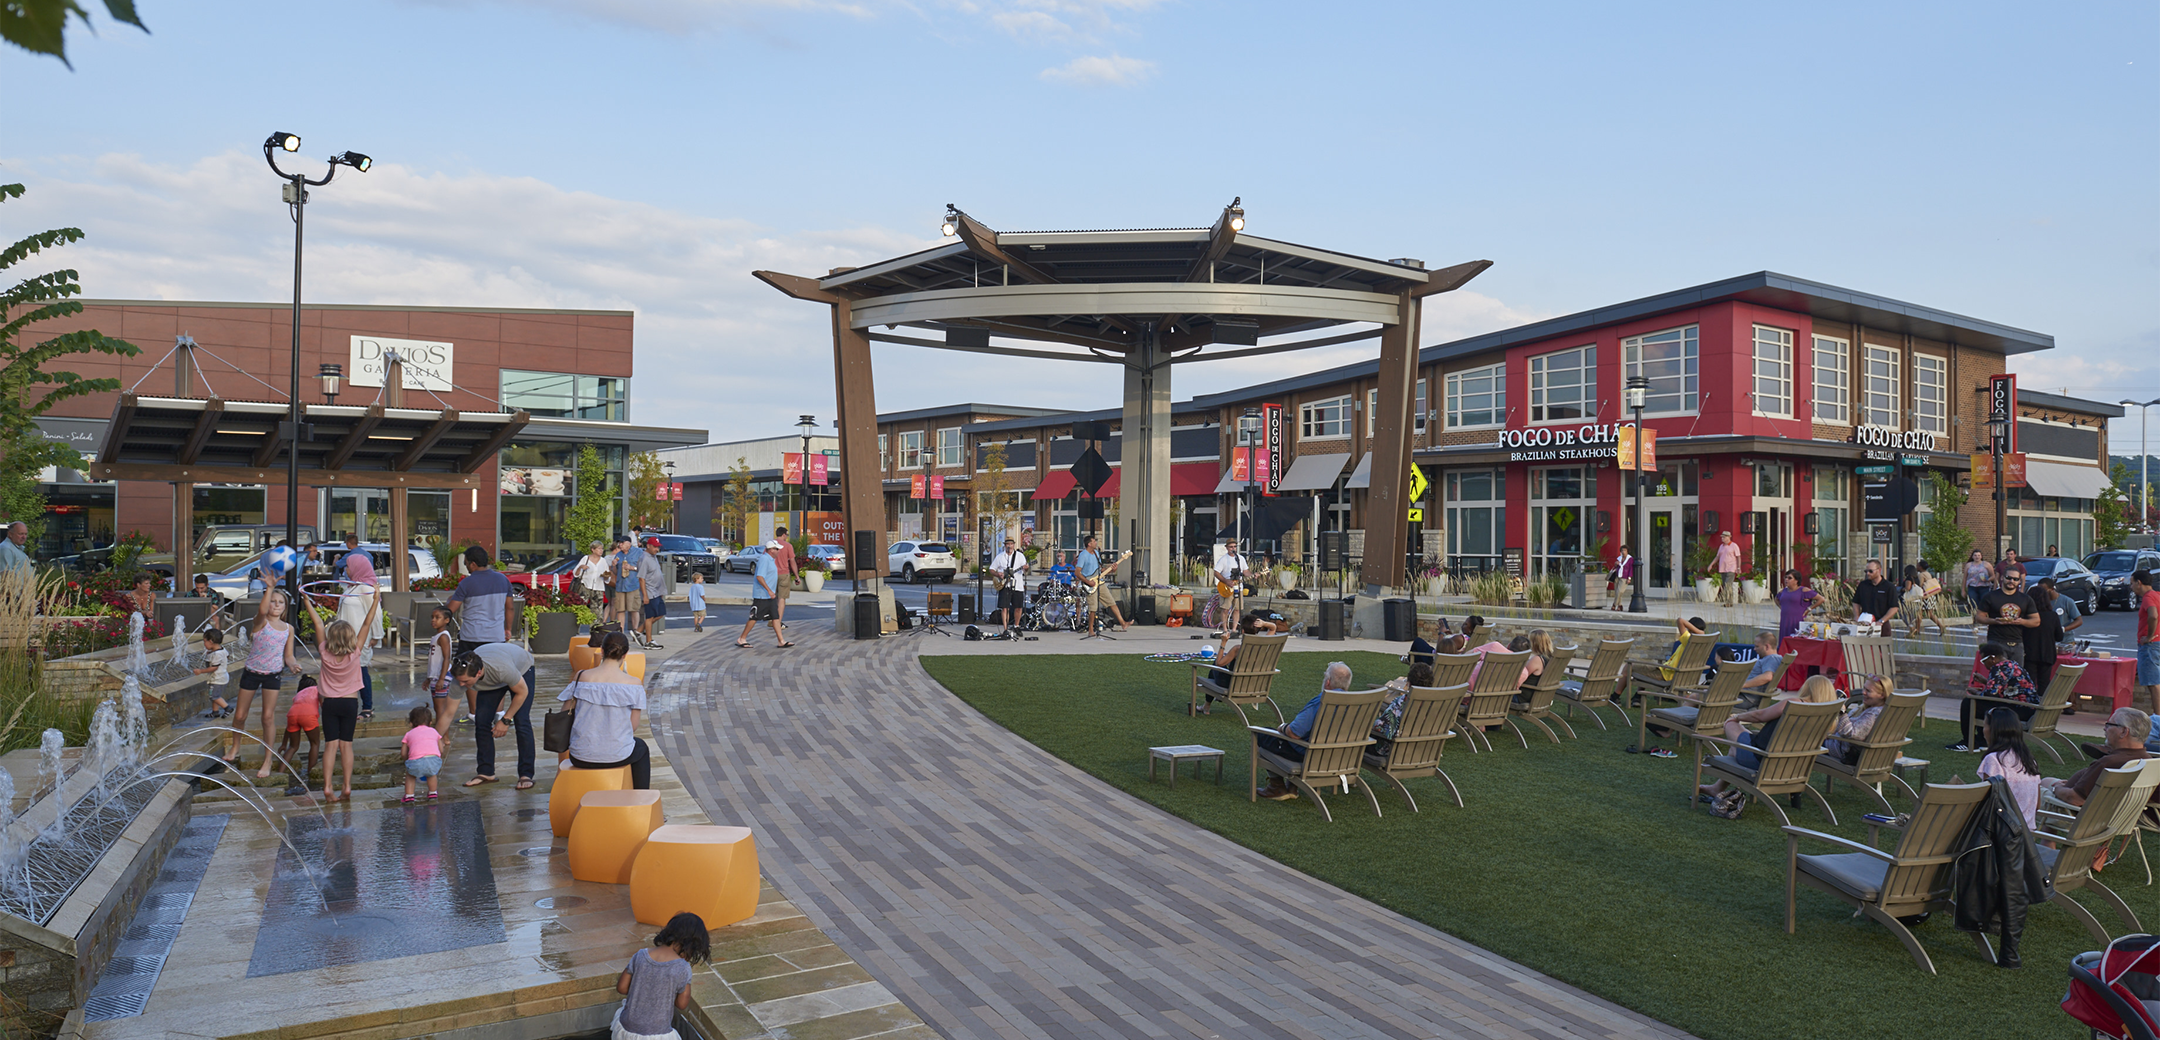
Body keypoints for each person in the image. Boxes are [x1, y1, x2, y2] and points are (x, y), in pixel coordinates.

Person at [1698, 674, 1842, 806]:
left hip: (1763, 761)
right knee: (1737, 745)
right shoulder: (1826, 719)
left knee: (1731, 725)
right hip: (1792, 768)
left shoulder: (1795, 703)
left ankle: (1717, 786)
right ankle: (1716, 788)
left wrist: (1737, 717)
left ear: (1808, 689)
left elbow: (1759, 715)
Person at [302, 584, 379, 803]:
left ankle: (327, 787)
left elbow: (318, 622)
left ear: (331, 637)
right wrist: (375, 599)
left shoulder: (324, 652)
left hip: (329, 704)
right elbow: (367, 623)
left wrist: (306, 600)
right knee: (346, 746)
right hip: (349, 704)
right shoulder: (355, 652)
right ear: (351, 637)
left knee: (330, 745)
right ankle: (346, 786)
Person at [559, 630, 652, 789]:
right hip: (617, 756)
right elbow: (633, 726)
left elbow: (564, 712)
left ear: (601, 650)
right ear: (625, 654)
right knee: (641, 747)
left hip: (580, 755)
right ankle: (640, 796)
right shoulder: (634, 684)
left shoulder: (582, 676)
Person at [1254, 661, 1352, 800]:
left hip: (1311, 757)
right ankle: (1292, 786)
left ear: (1328, 682)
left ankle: (1277, 787)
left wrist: (1283, 727)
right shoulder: (1357, 705)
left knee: (1262, 734)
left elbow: (1294, 733)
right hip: (1340, 758)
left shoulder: (1321, 701)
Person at [230, 572, 297, 775]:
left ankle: (268, 759)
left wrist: (293, 664)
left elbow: (288, 655)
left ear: (285, 607)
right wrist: (270, 588)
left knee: (268, 717)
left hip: (272, 675)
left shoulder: (288, 629)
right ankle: (235, 746)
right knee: (240, 715)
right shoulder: (260, 622)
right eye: (273, 601)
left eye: (280, 603)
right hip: (252, 672)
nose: (276, 605)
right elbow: (261, 610)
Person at [451, 640, 538, 789]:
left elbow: (522, 692)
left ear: (478, 673)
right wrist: (436, 738)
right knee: (482, 720)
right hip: (494, 672)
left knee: (521, 720)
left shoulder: (502, 669)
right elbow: (447, 713)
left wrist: (505, 720)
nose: (461, 685)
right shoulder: (460, 678)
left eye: (465, 681)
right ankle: (486, 772)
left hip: (521, 667)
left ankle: (526, 774)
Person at [613, 912, 709, 1040]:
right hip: (657, 1034)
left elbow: (622, 988)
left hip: (626, 1029)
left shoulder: (641, 955)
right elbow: (681, 1004)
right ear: (692, 945)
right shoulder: (682, 968)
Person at [2048, 708, 2153, 808]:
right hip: (2125, 815)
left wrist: (2056, 788)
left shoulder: (2110, 763)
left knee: (2043, 784)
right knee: (2050, 781)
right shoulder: (2150, 763)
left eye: (2109, 725)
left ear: (2124, 732)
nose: (2104, 728)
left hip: (2073, 812)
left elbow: (2074, 799)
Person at [1951, 641, 2037, 752]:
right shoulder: (2012, 665)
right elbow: (2004, 688)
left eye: (1984, 661)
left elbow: (1989, 694)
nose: (1984, 664)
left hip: (2019, 711)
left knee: (1969, 703)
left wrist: (1974, 692)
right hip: (2028, 709)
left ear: (1992, 658)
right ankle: (1982, 740)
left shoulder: (1999, 668)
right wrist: (1985, 681)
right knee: (1981, 704)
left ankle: (1968, 742)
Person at [1972, 706, 2044, 827]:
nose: (1983, 731)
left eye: (1984, 726)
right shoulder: (2029, 760)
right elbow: (2037, 805)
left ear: (1993, 730)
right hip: (2026, 833)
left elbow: (1988, 804)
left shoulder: (1993, 760)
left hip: (2000, 832)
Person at [335, 532, 379, 720]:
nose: (346, 569)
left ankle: (367, 707)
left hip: (360, 638)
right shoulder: (352, 587)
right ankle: (348, 705)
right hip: (344, 638)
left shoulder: (366, 589)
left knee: (361, 670)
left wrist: (376, 636)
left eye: (348, 566)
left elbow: (375, 613)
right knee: (348, 670)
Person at [448, 545, 516, 656]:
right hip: (496, 637)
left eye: (465, 564)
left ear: (473, 564)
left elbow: (450, 609)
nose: (466, 567)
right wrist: (508, 629)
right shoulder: (503, 580)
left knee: (465, 666)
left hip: (471, 637)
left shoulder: (466, 583)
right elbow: (510, 608)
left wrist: (449, 601)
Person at [1976, 567, 2041, 670]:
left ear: (2019, 581)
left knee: (2017, 674)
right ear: (2002, 578)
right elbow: (1979, 617)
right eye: (2008, 578)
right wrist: (1994, 621)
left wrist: (2021, 621)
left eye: (2015, 579)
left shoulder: (2025, 599)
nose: (2012, 581)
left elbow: (2036, 621)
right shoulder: (1990, 596)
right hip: (1996, 641)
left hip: (2017, 642)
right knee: (1999, 673)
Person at [1370, 661, 1437, 755]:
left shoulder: (1402, 702)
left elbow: (1381, 726)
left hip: (1393, 752)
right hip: (1421, 752)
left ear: (1408, 683)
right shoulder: (1435, 704)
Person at [1826, 673, 1890, 762]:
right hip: (1839, 743)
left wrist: (1842, 712)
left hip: (1843, 751)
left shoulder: (1873, 714)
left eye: (1868, 691)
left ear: (1882, 695)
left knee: (1809, 743)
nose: (1863, 692)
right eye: (1864, 688)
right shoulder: (1879, 710)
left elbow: (1851, 734)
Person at [737, 542, 790, 648]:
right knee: (754, 618)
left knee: (775, 617)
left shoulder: (771, 560)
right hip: (762, 595)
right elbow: (759, 577)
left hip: (770, 596)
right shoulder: (764, 559)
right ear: (771, 550)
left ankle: (781, 641)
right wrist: (769, 590)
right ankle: (742, 638)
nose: (778, 551)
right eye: (777, 549)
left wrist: (771, 592)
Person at [278, 674, 322, 798]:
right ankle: (310, 773)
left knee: (293, 747)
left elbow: (288, 728)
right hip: (308, 715)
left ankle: (280, 774)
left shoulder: (298, 695)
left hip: (292, 714)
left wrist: (283, 743)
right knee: (315, 743)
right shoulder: (317, 689)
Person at [1075, 534, 1129, 632]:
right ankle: (1091, 630)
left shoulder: (1096, 553)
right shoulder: (1083, 555)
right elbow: (1077, 572)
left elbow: (1100, 569)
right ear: (1089, 544)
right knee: (1093, 608)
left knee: (1111, 602)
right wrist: (1088, 582)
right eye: (1094, 541)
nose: (1096, 543)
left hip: (1100, 582)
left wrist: (1112, 569)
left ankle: (1123, 623)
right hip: (1090, 585)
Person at [2029, 576, 2068, 688]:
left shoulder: (2026, 616)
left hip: (2029, 654)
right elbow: (2059, 637)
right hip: (2047, 653)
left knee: (2029, 683)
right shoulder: (2052, 616)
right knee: (2044, 683)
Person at [424, 606, 456, 738]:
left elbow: (447, 658)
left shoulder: (443, 637)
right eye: (432, 617)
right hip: (436, 676)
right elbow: (434, 659)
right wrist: (428, 678)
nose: (433, 620)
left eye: (437, 618)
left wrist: (442, 678)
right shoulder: (437, 636)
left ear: (447, 620)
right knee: (438, 708)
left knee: (440, 709)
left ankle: (443, 738)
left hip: (441, 676)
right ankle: (443, 737)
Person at [988, 537, 1028, 636]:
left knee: (1018, 607)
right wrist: (998, 574)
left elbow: (1025, 570)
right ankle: (1005, 629)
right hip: (1005, 585)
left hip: (1017, 585)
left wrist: (1026, 568)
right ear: (1005, 545)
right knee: (1005, 608)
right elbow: (991, 569)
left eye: (1011, 544)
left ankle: (1016, 626)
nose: (1009, 546)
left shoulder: (1020, 556)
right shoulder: (1000, 557)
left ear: (1014, 545)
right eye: (1007, 544)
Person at [402, 705, 442, 804]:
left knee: (410, 775)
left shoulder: (408, 734)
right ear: (430, 722)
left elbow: (403, 753)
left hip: (415, 761)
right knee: (432, 774)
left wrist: (407, 760)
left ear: (411, 723)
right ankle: (432, 793)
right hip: (433, 760)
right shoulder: (434, 731)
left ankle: (409, 796)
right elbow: (441, 749)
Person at [610, 534, 646, 639]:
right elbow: (615, 572)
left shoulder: (638, 552)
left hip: (633, 585)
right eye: (619, 543)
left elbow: (644, 568)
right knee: (620, 610)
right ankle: (621, 633)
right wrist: (614, 566)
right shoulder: (618, 555)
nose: (620, 545)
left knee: (634, 609)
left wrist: (632, 567)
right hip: (620, 586)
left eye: (622, 543)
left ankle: (635, 632)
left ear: (628, 544)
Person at [1849, 559, 1899, 633]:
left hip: (1881, 625)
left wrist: (1881, 621)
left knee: (1883, 640)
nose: (1868, 573)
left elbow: (1894, 607)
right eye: (1866, 571)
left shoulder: (1889, 587)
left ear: (1879, 570)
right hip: (1865, 623)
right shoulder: (1863, 585)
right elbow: (1856, 602)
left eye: (1871, 571)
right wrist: (1857, 616)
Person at [1738, 631, 1782, 708]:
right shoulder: (1773, 659)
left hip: (1746, 699)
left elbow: (1767, 677)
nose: (1754, 649)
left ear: (1767, 646)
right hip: (1744, 696)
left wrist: (1741, 685)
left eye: (1757, 646)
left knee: (1714, 699)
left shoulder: (1772, 658)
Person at [192, 626, 230, 718]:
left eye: (204, 641)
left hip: (217, 679)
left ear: (211, 641)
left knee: (214, 696)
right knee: (214, 695)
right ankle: (215, 712)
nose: (204, 644)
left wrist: (200, 671)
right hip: (221, 677)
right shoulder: (221, 649)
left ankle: (227, 708)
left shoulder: (217, 654)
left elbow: (213, 668)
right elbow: (227, 656)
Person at [1212, 540, 1248, 633]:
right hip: (1227, 587)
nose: (1233, 548)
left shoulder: (1240, 559)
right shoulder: (1223, 559)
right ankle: (1225, 629)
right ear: (1227, 548)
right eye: (1231, 547)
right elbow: (1216, 572)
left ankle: (1234, 629)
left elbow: (1245, 571)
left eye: (1235, 546)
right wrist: (1226, 581)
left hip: (1238, 587)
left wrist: (1253, 575)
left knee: (1237, 609)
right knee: (1225, 609)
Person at [2137, 570, 2160, 716]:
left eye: (2132, 583)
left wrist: (2149, 636)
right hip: (2157, 643)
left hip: (2151, 645)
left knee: (2153, 683)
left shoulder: (2148, 597)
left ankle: (2157, 718)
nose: (2131, 586)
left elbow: (2153, 615)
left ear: (2139, 583)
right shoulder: (2157, 595)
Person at [766, 526, 798, 627]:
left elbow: (765, 558)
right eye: (786, 535)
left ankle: (771, 619)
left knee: (772, 597)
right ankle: (778, 621)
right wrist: (797, 576)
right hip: (784, 574)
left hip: (771, 574)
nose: (786, 537)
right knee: (782, 598)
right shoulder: (788, 546)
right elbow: (792, 561)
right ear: (783, 534)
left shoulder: (770, 544)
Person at [638, 540, 667, 649]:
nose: (657, 549)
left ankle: (638, 631)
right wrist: (645, 595)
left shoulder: (653, 556)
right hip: (650, 592)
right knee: (650, 616)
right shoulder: (644, 559)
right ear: (648, 546)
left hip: (657, 591)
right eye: (655, 547)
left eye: (658, 547)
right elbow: (641, 578)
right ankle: (648, 641)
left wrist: (661, 590)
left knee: (660, 613)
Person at [1773, 569, 1819, 640]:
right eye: (1785, 577)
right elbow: (1776, 599)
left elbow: (1821, 599)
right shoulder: (1783, 591)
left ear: (1796, 580)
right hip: (1785, 620)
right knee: (1784, 638)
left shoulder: (1803, 590)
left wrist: (1809, 609)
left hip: (1797, 620)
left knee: (1795, 639)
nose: (1786, 579)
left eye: (1789, 578)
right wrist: (1781, 607)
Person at [1713, 530, 1742, 606]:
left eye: (1724, 537)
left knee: (1727, 585)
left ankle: (1728, 602)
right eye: (1722, 537)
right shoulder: (1721, 546)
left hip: (1731, 568)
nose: (1722, 538)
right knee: (1725, 585)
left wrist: (1738, 567)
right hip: (1723, 568)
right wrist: (1711, 564)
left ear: (1729, 537)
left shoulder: (1734, 545)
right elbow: (1717, 556)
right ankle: (1728, 601)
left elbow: (1738, 557)